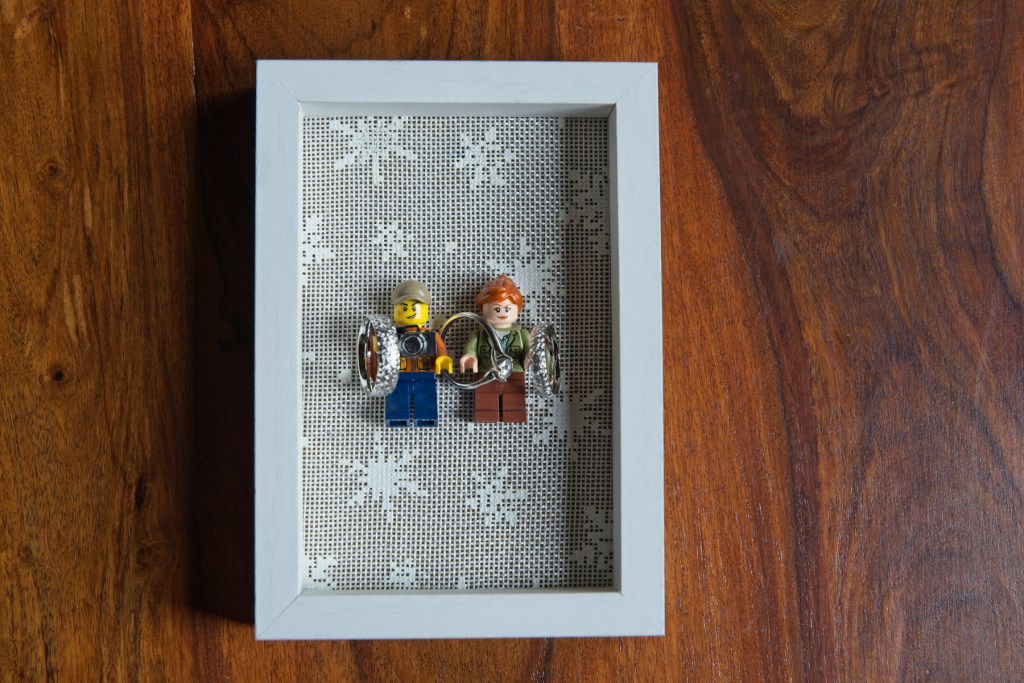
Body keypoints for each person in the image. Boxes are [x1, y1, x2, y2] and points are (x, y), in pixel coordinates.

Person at [459, 275, 531, 423]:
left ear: (517, 309)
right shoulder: (479, 335)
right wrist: (470, 357)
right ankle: (486, 416)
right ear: (483, 309)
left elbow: (532, 351)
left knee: (514, 400)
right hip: (486, 372)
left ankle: (514, 416)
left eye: (507, 308)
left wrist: (530, 357)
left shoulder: (522, 334)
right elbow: (471, 349)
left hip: (515, 373)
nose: (502, 313)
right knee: (485, 400)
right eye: (497, 309)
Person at [385, 280, 452, 427]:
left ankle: (426, 417)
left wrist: (442, 359)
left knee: (426, 396)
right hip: (398, 374)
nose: (410, 312)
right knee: (397, 395)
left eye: (415, 308)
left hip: (425, 373)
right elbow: (381, 350)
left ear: (425, 310)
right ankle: (396, 417)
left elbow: (441, 349)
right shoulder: (391, 335)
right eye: (404, 308)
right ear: (395, 310)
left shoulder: (431, 335)